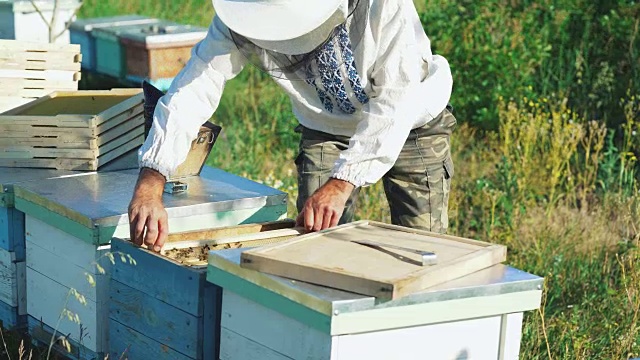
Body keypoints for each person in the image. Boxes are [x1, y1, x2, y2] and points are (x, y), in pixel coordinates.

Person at [128, 0, 456, 252]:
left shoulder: (381, 5)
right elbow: (194, 88)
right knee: (314, 245)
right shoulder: (243, 13)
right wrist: (151, 180)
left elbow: (395, 100)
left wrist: (343, 184)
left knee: (422, 247)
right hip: (325, 128)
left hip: (414, 122)